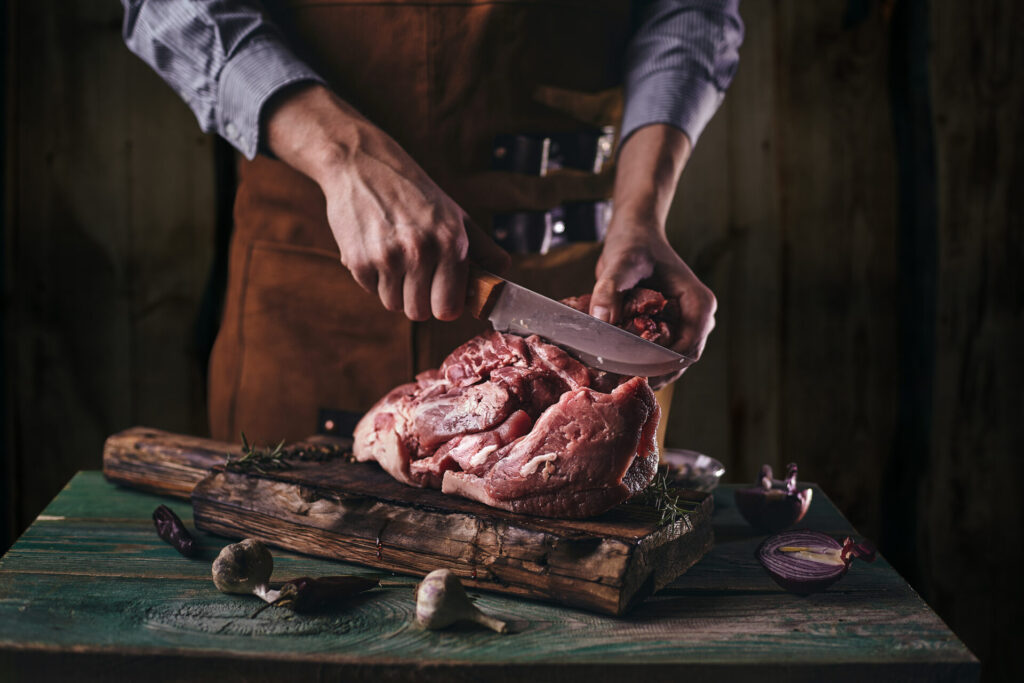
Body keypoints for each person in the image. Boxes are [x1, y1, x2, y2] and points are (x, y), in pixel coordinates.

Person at [121, 0, 744, 444]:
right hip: (310, 306)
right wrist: (341, 155)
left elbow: (690, 11)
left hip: (575, 305)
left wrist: (641, 209)